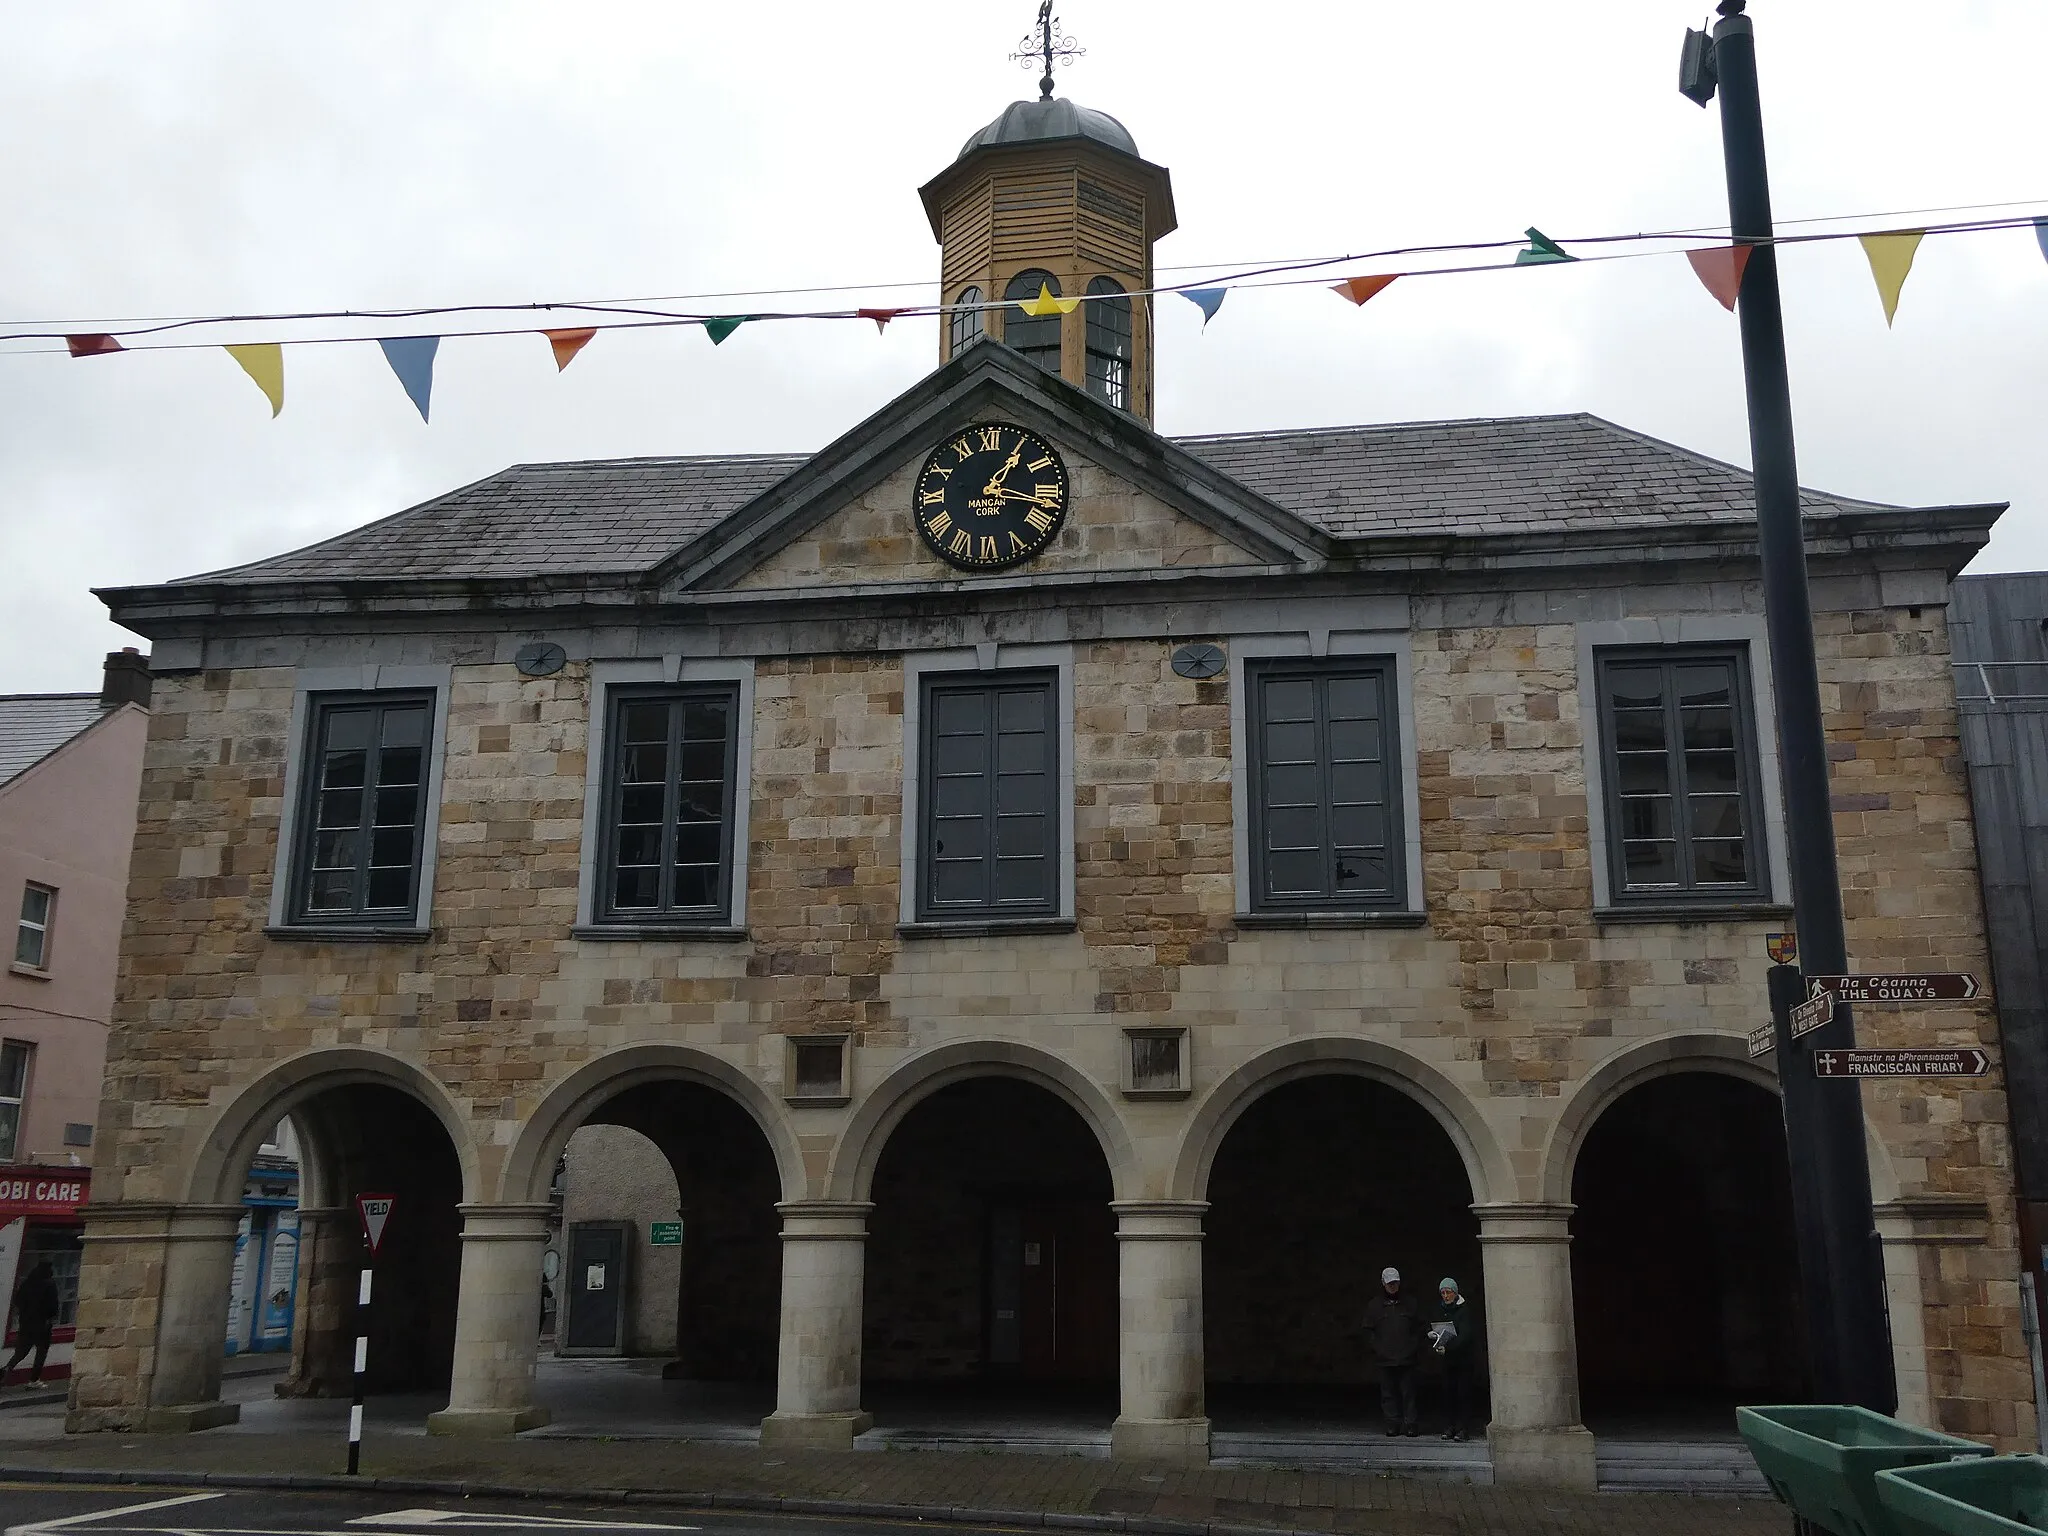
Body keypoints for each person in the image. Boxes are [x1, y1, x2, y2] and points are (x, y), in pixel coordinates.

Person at [1363, 1265, 1425, 1436]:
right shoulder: (1374, 1306)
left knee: (1409, 1393)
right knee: (1388, 1394)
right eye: (1390, 1283)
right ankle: (1392, 1424)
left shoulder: (1410, 1303)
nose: (1393, 1286)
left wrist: (1412, 1348)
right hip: (1385, 1359)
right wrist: (1378, 1349)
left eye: (1395, 1283)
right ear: (1383, 1283)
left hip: (1407, 1358)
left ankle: (1411, 1424)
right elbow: (1368, 1331)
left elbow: (1419, 1329)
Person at [1430, 1276, 1478, 1441]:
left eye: (1448, 1292)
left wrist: (1448, 1347)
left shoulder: (1464, 1310)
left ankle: (1463, 1428)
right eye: (1443, 1293)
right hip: (1448, 1362)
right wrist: (1433, 1336)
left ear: (1455, 1293)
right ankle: (1449, 1426)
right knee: (1448, 1394)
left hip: (1463, 1361)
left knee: (1463, 1395)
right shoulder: (1440, 1309)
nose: (1445, 1295)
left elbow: (1465, 1336)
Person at [6, 1261, 60, 1387]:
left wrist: (25, 1313)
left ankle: (6, 1369)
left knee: (21, 1352)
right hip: (42, 1325)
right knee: (41, 1353)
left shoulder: (28, 1283)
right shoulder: (49, 1284)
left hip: (26, 1323)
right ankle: (34, 1380)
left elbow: (18, 1300)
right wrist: (50, 1316)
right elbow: (53, 1305)